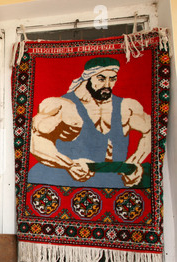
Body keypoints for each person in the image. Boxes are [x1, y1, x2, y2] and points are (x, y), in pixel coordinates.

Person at [28, 57, 151, 188]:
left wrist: (135, 162)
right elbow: (34, 140)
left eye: (113, 79)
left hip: (114, 184)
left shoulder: (127, 107)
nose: (108, 85)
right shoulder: (63, 105)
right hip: (66, 184)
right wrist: (69, 165)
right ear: (88, 77)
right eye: (101, 79)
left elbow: (151, 132)